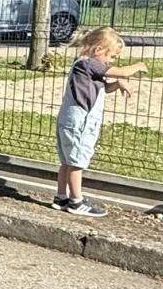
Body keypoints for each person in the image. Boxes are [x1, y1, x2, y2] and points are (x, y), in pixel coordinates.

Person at [54, 27, 148, 218]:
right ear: (98, 50)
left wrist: (117, 84)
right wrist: (138, 66)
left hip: (71, 121)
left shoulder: (84, 67)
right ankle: (76, 201)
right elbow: (121, 72)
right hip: (80, 123)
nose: (111, 61)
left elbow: (102, 88)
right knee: (76, 162)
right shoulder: (88, 64)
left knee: (67, 160)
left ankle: (61, 197)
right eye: (111, 56)